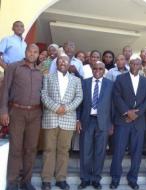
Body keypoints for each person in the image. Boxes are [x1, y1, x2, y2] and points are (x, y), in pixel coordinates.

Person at [0, 44, 43, 190]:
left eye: (35, 52)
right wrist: (4, 111)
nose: (32, 54)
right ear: (25, 52)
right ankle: (12, 182)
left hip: (36, 114)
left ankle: (26, 181)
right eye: (30, 51)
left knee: (31, 149)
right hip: (16, 112)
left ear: (38, 54)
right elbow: (5, 89)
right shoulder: (14, 67)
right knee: (16, 148)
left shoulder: (40, 71)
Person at [40, 54, 83, 190]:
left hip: (68, 119)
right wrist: (56, 107)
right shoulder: (47, 77)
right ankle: (46, 179)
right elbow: (44, 95)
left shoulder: (76, 80)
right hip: (50, 119)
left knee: (64, 151)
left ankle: (61, 178)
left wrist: (65, 108)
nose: (62, 62)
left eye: (65, 60)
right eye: (60, 60)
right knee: (48, 150)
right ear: (56, 63)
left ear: (69, 63)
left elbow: (79, 97)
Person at [110, 55, 146, 190]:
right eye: (133, 64)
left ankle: (132, 178)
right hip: (122, 121)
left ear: (141, 66)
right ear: (130, 65)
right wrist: (127, 112)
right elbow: (116, 97)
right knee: (118, 151)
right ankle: (115, 178)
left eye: (137, 64)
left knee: (137, 153)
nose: (135, 66)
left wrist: (136, 114)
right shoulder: (120, 78)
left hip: (138, 122)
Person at [77, 62, 113, 190]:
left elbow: (112, 106)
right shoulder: (84, 83)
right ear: (92, 70)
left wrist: (111, 124)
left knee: (100, 152)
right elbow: (79, 103)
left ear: (104, 71)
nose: (97, 70)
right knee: (86, 151)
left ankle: (96, 178)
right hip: (87, 120)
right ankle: (85, 179)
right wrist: (78, 120)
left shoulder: (110, 84)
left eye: (100, 69)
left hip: (103, 122)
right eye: (95, 68)